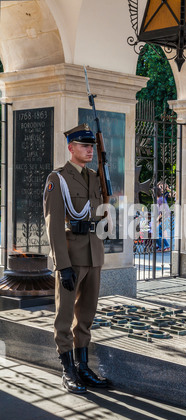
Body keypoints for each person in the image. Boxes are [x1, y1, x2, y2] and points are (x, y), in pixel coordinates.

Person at [43, 123, 107, 394]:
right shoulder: (57, 179)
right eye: (84, 145)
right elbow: (54, 225)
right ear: (71, 148)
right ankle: (67, 369)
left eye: (92, 146)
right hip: (71, 256)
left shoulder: (96, 177)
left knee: (86, 316)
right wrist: (62, 264)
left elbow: (101, 214)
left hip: (94, 254)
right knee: (65, 314)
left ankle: (82, 366)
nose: (89, 149)